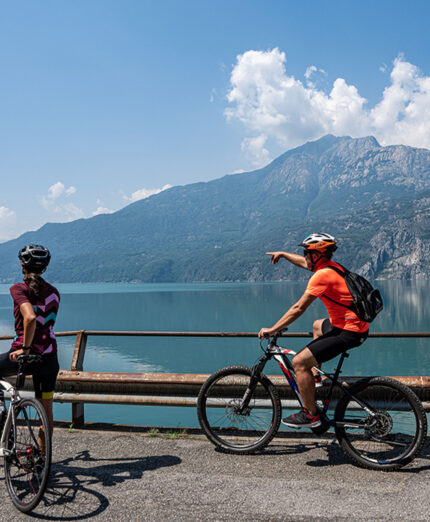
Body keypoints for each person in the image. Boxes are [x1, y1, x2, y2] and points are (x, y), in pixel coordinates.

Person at [258, 233, 369, 428]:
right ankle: (315, 378)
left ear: (316, 255)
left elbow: (298, 308)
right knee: (318, 325)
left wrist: (273, 329)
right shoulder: (331, 267)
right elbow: (304, 263)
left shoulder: (321, 276)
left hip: (348, 331)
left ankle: (311, 415)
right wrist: (283, 254)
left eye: (307, 253)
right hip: (353, 325)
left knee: (299, 362)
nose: (305, 257)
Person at [0, 244, 60, 453]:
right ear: (44, 267)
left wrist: (25, 349)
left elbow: (30, 317)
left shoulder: (19, 289)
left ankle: (3, 418)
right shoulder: (54, 293)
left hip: (24, 356)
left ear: (22, 266)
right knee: (46, 412)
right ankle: (41, 460)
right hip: (49, 359)